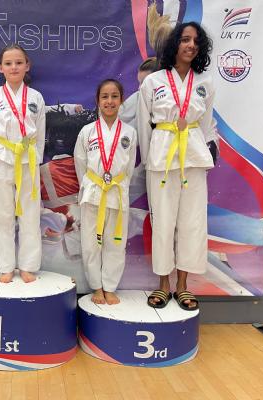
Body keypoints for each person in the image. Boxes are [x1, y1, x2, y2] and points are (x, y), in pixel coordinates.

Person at [137, 22, 218, 310]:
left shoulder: (205, 82)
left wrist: (199, 148)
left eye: (196, 41)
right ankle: (163, 284)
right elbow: (144, 125)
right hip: (162, 155)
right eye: (185, 39)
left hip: (193, 156)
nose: (191, 45)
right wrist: (150, 159)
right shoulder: (153, 82)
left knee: (192, 222)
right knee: (163, 221)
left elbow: (205, 126)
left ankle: (183, 285)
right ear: (175, 44)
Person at [0, 44, 46, 283]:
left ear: (27, 66)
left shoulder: (36, 97)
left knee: (30, 214)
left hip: (28, 158)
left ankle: (28, 266)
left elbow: (40, 132)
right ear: (0, 68)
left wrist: (36, 159)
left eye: (19, 62)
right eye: (8, 63)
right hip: (3, 158)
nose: (14, 67)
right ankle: (6, 266)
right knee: (3, 215)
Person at [74, 79, 137, 305]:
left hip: (117, 192)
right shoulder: (87, 131)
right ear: (97, 101)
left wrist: (117, 186)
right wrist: (91, 185)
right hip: (93, 192)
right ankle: (97, 287)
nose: (109, 101)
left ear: (121, 100)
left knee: (115, 242)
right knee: (91, 243)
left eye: (114, 96)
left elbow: (129, 168)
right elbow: (80, 163)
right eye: (105, 96)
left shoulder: (129, 132)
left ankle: (110, 286)